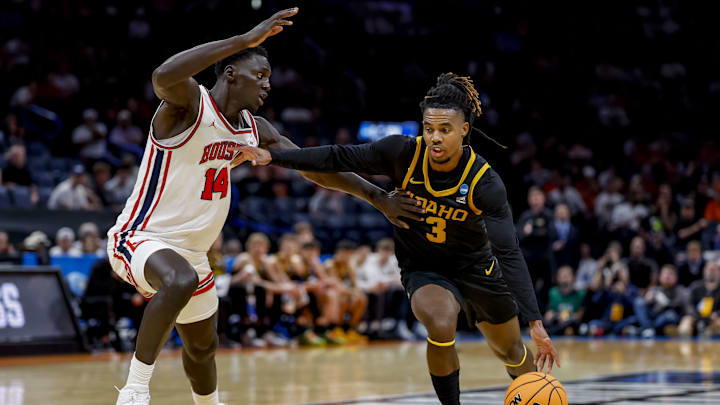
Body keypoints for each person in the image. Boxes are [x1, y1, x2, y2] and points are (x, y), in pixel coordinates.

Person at [108, 9, 418, 405]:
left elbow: (313, 167)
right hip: (140, 238)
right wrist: (243, 40)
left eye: (269, 77)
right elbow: (161, 76)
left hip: (192, 255)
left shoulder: (255, 130)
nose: (268, 85)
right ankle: (134, 390)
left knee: (203, 348)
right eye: (260, 75)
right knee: (180, 280)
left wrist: (379, 198)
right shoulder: (189, 106)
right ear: (230, 74)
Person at [232, 72, 558, 404]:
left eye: (445, 130)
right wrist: (274, 157)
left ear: (464, 130)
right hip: (425, 268)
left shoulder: (484, 182)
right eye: (429, 128)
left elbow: (509, 251)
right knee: (441, 326)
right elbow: (336, 157)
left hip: (476, 267)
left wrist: (534, 322)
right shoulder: (402, 153)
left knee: (512, 351)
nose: (434, 138)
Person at [517, 186, 555, 308]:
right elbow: (518, 236)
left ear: (543, 199)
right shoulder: (525, 216)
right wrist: (527, 233)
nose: (535, 200)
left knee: (547, 288)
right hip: (529, 260)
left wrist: (532, 233)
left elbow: (551, 234)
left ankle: (547, 314)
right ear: (529, 200)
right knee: (529, 290)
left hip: (545, 260)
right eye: (533, 197)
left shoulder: (548, 215)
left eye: (538, 196)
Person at [679, 261, 720, 337]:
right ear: (704, 271)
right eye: (709, 269)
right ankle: (685, 347)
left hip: (714, 319)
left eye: (714, 270)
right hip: (696, 317)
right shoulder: (695, 286)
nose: (711, 272)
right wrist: (698, 316)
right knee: (685, 324)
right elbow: (688, 305)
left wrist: (716, 314)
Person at [544, 266, 585, 336]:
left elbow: (579, 316)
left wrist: (566, 317)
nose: (564, 279)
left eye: (567, 275)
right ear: (557, 279)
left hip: (573, 325)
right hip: (557, 324)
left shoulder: (580, 294)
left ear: (574, 278)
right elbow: (549, 314)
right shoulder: (553, 293)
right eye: (561, 276)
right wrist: (553, 316)